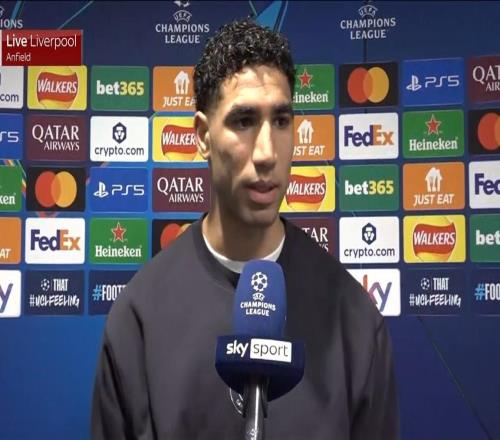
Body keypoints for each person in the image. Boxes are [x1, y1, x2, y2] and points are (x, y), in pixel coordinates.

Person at [91, 19, 399, 440]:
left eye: (281, 121)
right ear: (203, 136)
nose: (267, 153)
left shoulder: (354, 320)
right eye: (243, 121)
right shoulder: (139, 318)